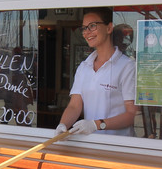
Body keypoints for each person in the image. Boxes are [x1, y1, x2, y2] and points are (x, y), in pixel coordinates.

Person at [55, 7, 137, 137]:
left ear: (109, 28)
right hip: (91, 143)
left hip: (119, 146)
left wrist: (97, 125)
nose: (86, 32)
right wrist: (63, 124)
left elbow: (131, 115)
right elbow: (75, 106)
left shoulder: (127, 66)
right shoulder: (84, 67)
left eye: (92, 26)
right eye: (84, 28)